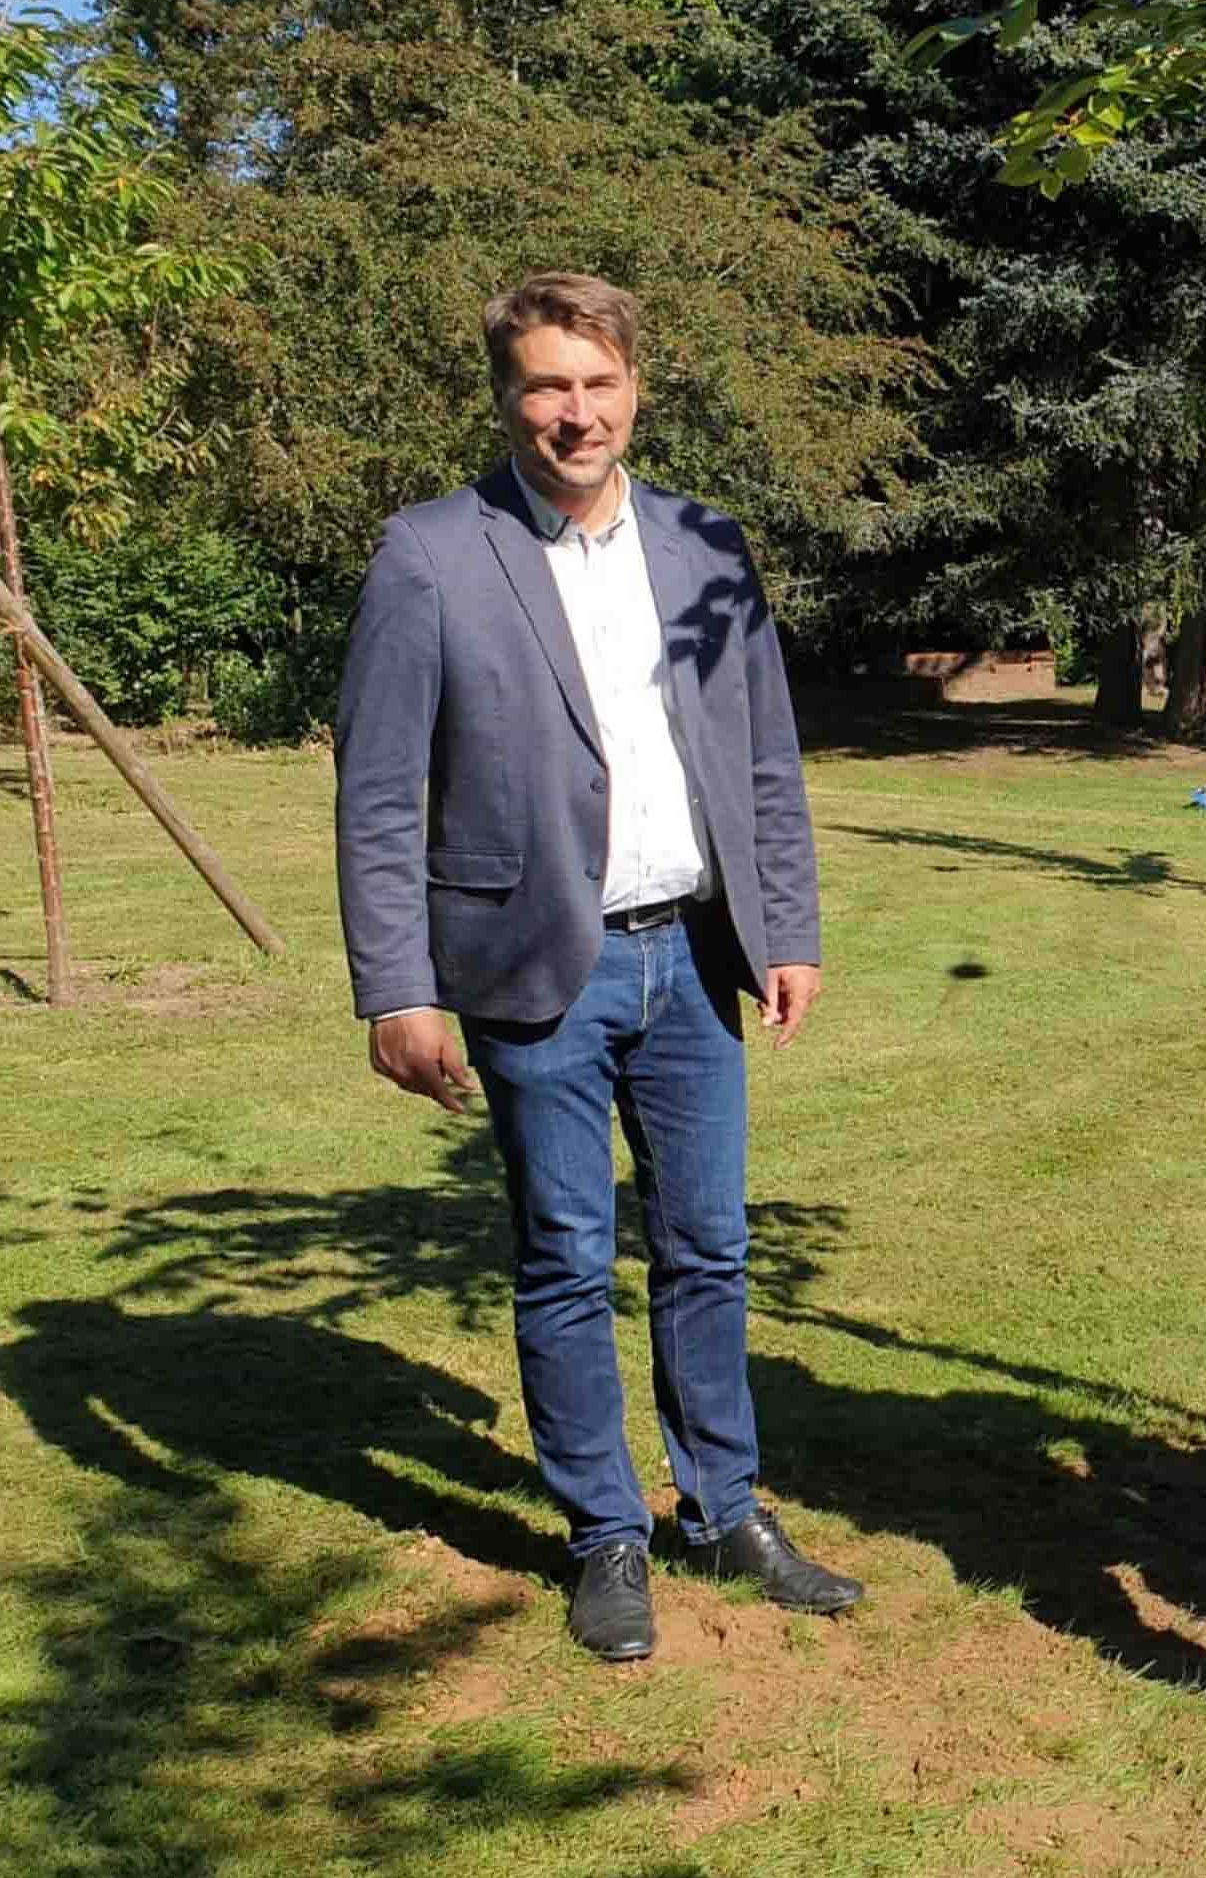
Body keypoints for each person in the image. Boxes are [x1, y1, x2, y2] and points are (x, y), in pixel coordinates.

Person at [335, 272, 861, 1664]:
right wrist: (395, 984)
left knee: (708, 1246)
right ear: (507, 396)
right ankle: (602, 1531)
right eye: (547, 385)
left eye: (598, 382)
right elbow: (380, 791)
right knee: (565, 1256)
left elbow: (762, 754)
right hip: (530, 968)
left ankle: (724, 1506)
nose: (576, 411)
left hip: (691, 956)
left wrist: (784, 926)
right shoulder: (432, 554)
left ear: (636, 387)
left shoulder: (704, 548)